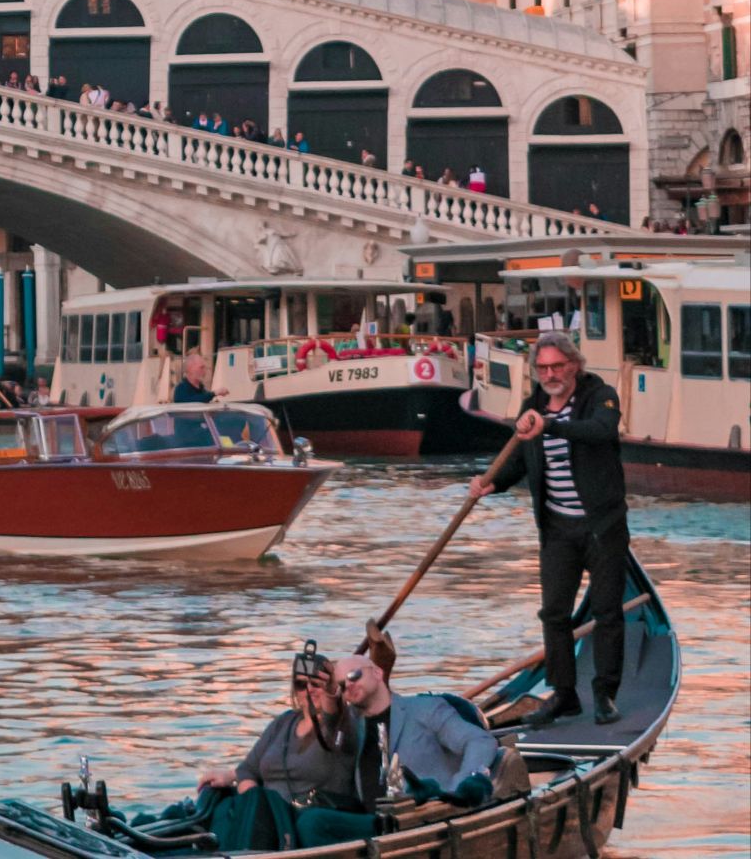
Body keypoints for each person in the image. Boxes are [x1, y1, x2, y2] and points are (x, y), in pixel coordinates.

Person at [469, 331, 628, 726]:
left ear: (573, 365)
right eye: (543, 367)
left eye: (558, 366)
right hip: (558, 529)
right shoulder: (532, 408)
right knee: (554, 613)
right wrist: (492, 482)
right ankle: (564, 694)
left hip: (602, 526)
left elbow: (601, 431)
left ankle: (605, 693)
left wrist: (550, 426)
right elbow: (521, 458)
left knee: (608, 612)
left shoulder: (601, 396)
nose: (551, 374)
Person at [291, 653, 498, 846]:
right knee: (300, 817)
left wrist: (460, 787)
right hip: (375, 822)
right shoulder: (350, 725)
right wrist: (329, 697)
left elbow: (480, 741)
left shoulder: (425, 709)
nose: (350, 686)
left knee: (313, 823)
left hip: (425, 817)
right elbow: (330, 745)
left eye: (354, 675)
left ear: (378, 672)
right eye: (342, 685)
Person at [196, 642, 357, 847]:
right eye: (301, 685)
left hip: (303, 817)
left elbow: (335, 720)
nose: (309, 691)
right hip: (264, 817)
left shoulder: (343, 725)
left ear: (329, 688)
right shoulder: (284, 723)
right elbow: (247, 770)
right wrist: (253, 803)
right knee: (213, 798)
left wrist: (332, 698)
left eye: (316, 684)